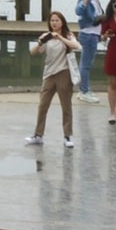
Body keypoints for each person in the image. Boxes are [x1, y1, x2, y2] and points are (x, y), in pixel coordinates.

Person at [24, 10, 80, 147]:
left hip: (64, 73)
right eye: (52, 20)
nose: (54, 23)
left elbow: (76, 46)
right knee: (43, 105)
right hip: (49, 74)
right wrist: (41, 42)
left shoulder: (68, 35)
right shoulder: (46, 36)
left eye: (57, 20)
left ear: (62, 22)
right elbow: (33, 52)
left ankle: (67, 136)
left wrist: (60, 37)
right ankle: (38, 135)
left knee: (66, 105)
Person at [73, 0, 108, 98]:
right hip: (88, 33)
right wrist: (86, 0)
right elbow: (79, 11)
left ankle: (85, 89)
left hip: (93, 34)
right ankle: (84, 90)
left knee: (86, 63)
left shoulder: (95, 0)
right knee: (85, 64)